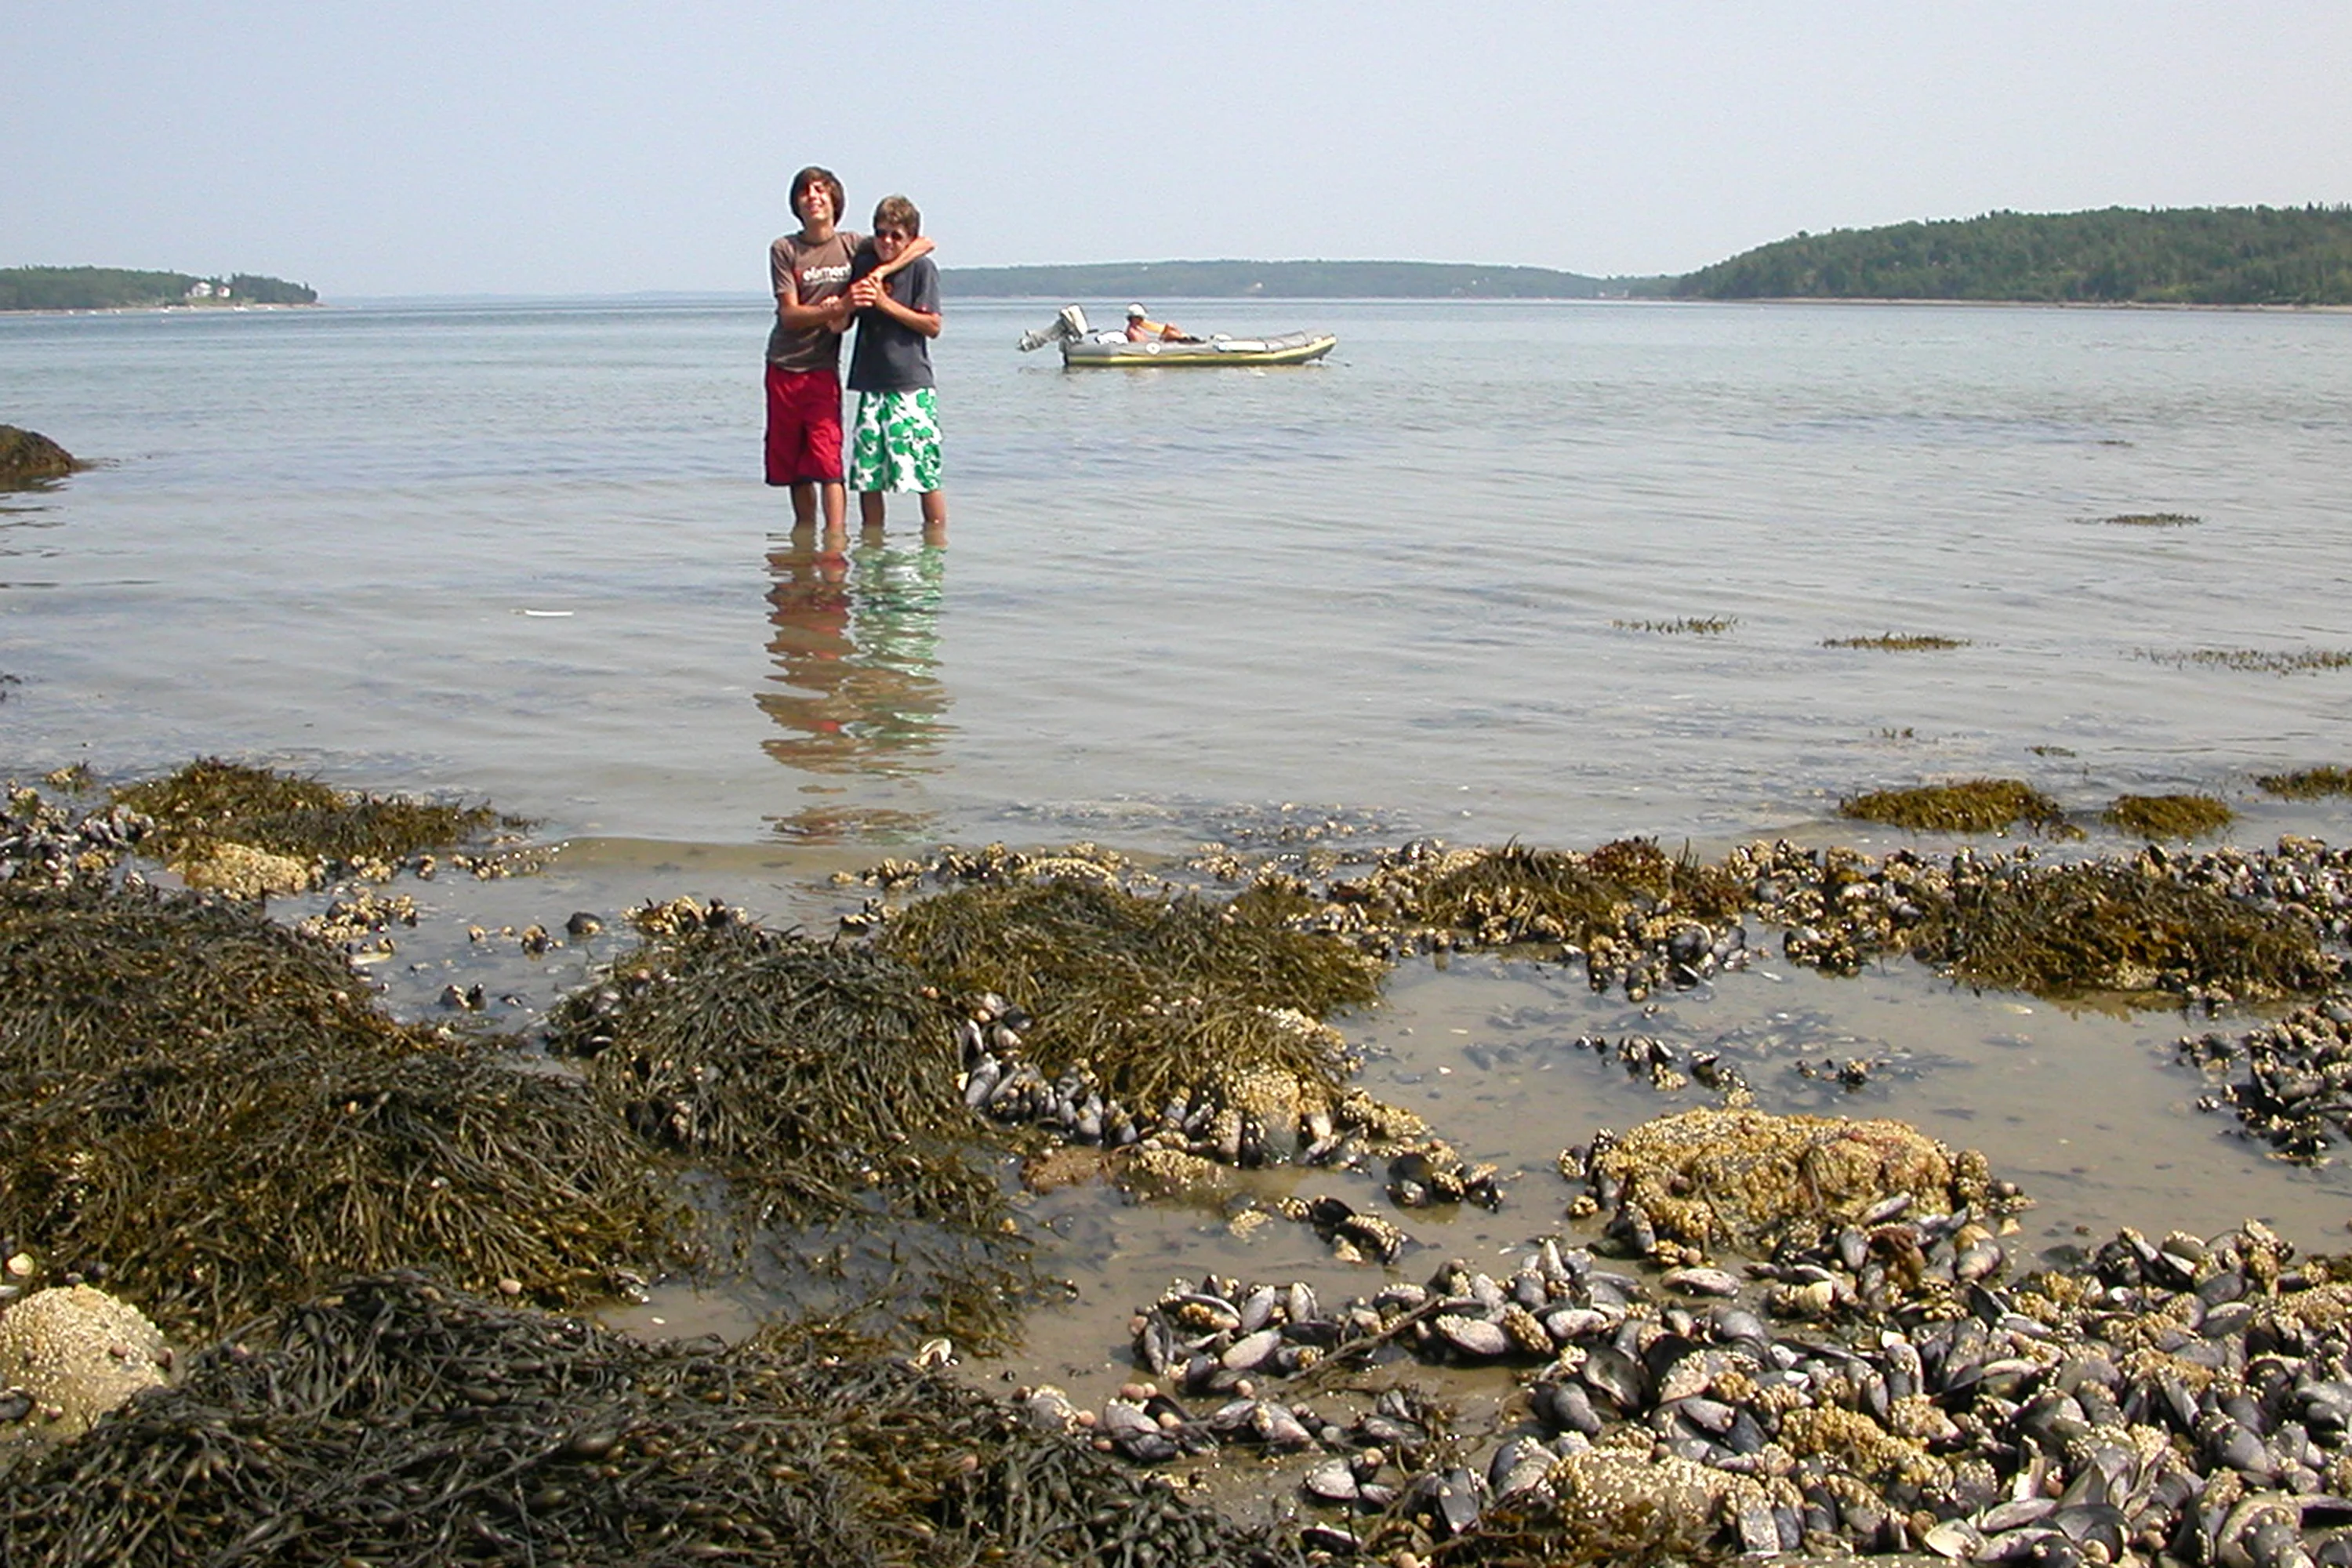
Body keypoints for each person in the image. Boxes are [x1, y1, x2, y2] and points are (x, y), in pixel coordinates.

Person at [765, 167, 932, 536]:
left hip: (823, 368)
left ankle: (835, 543)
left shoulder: (854, 245)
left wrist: (877, 275)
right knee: (793, 465)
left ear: (835, 201)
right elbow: (790, 315)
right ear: (796, 203)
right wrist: (839, 307)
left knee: (828, 461)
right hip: (783, 365)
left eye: (821, 190)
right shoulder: (784, 249)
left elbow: (922, 244)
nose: (813, 197)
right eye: (805, 192)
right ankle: (804, 541)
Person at [844, 194, 946, 543]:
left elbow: (932, 326)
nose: (886, 241)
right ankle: (873, 549)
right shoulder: (863, 263)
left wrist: (886, 304)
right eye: (881, 233)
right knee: (867, 477)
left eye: (895, 235)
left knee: (924, 473)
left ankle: (935, 548)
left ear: (908, 239)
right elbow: (846, 318)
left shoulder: (921, 270)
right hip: (872, 384)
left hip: (911, 385)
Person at [1124, 303, 1193, 343]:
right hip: (1154, 347)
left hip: (1156, 344)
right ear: (1134, 318)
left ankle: (1187, 339)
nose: (1142, 320)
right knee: (1170, 333)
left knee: (1170, 326)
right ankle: (1186, 340)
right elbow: (1142, 346)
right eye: (1141, 318)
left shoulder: (1136, 329)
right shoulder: (1133, 332)